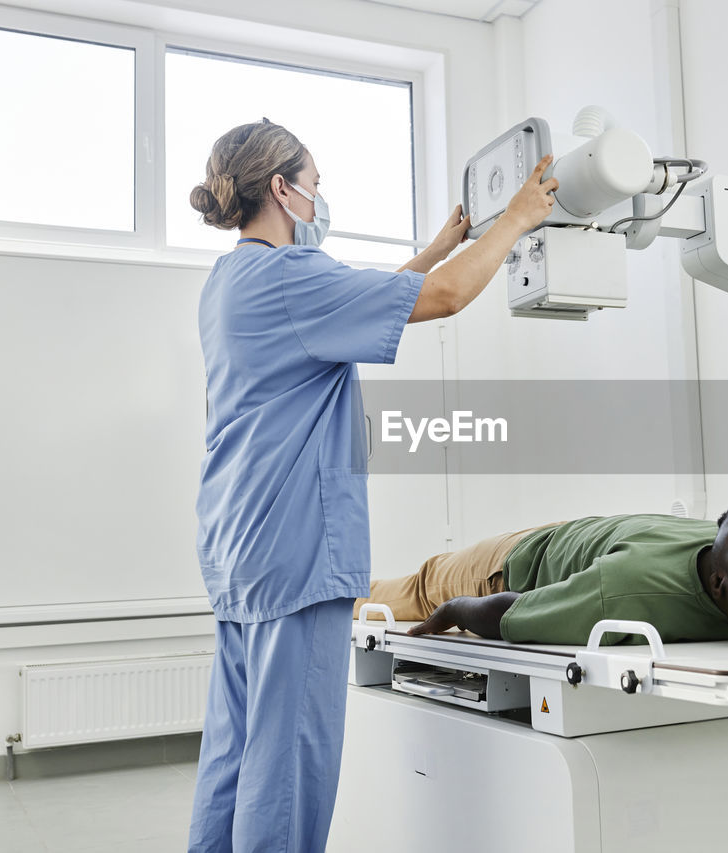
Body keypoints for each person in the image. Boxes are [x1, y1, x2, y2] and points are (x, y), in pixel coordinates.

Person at [185, 118, 558, 853]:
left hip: (238, 551)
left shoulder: (231, 279)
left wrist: (441, 245)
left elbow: (367, 299)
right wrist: (517, 218)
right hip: (294, 553)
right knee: (288, 764)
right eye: (317, 186)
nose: (322, 201)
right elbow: (445, 299)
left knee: (234, 755)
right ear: (283, 189)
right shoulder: (294, 279)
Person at [355, 501, 728, 647]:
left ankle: (317, 594)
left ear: (717, 585)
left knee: (416, 586)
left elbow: (512, 615)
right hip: (565, 538)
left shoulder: (624, 592)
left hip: (505, 568)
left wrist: (452, 610)